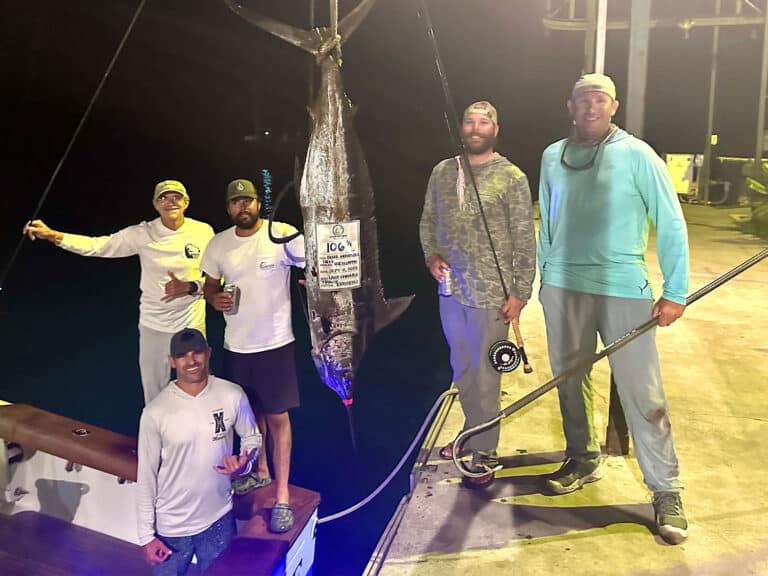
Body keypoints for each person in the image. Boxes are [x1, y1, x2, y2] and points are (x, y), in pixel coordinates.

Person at [537, 73, 690, 544]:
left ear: (613, 106)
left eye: (599, 100)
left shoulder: (637, 154)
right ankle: (583, 459)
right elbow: (545, 218)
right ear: (571, 105)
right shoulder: (551, 156)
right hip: (563, 285)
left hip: (623, 287)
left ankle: (665, 489)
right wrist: (544, 280)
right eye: (583, 100)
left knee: (643, 393)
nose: (590, 108)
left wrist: (675, 290)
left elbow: (670, 221)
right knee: (569, 379)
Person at [419, 101, 536, 486]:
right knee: (463, 370)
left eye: (483, 122)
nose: (475, 127)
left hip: (492, 296)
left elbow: (524, 239)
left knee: (487, 377)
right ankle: (472, 431)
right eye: (469, 121)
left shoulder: (512, 177)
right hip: (451, 292)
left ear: (494, 130)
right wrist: (432, 256)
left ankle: (484, 452)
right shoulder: (441, 171)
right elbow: (428, 221)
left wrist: (520, 293)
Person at [23, 180, 214, 404]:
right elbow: (98, 246)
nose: (170, 202)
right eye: (163, 197)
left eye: (176, 197)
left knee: (200, 388)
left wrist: (190, 287)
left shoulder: (203, 231)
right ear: (155, 204)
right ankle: (158, 437)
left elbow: (217, 277)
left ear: (186, 202)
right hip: (155, 325)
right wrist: (54, 236)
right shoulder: (143, 233)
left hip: (191, 323)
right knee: (154, 395)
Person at [201, 178, 305, 533]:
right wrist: (214, 299)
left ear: (258, 203)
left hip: (275, 345)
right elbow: (210, 285)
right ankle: (260, 472)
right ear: (229, 208)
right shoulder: (218, 245)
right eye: (235, 203)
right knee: (248, 417)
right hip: (236, 347)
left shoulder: (283, 234)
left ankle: (282, 497)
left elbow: (316, 264)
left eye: (248, 201)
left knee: (278, 420)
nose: (242, 207)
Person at [136, 327, 261, 574]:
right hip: (172, 527)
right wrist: (146, 536)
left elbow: (252, 437)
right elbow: (146, 475)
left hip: (219, 518)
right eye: (182, 356)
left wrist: (245, 464)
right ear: (172, 361)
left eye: (197, 353)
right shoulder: (155, 412)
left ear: (208, 353)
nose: (191, 361)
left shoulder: (232, 394)